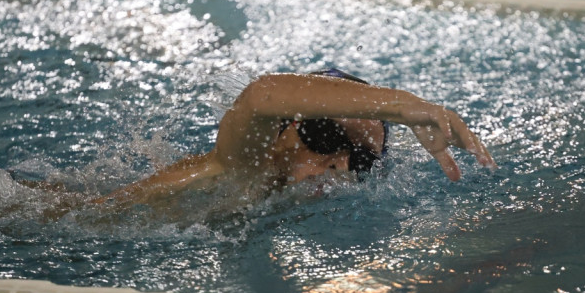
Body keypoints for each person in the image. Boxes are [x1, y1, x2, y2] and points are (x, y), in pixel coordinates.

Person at [91, 69, 495, 209]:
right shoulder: (243, 164)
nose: (327, 173)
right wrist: (401, 105)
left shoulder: (286, 189)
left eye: (355, 162)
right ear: (287, 131)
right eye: (323, 140)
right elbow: (261, 94)